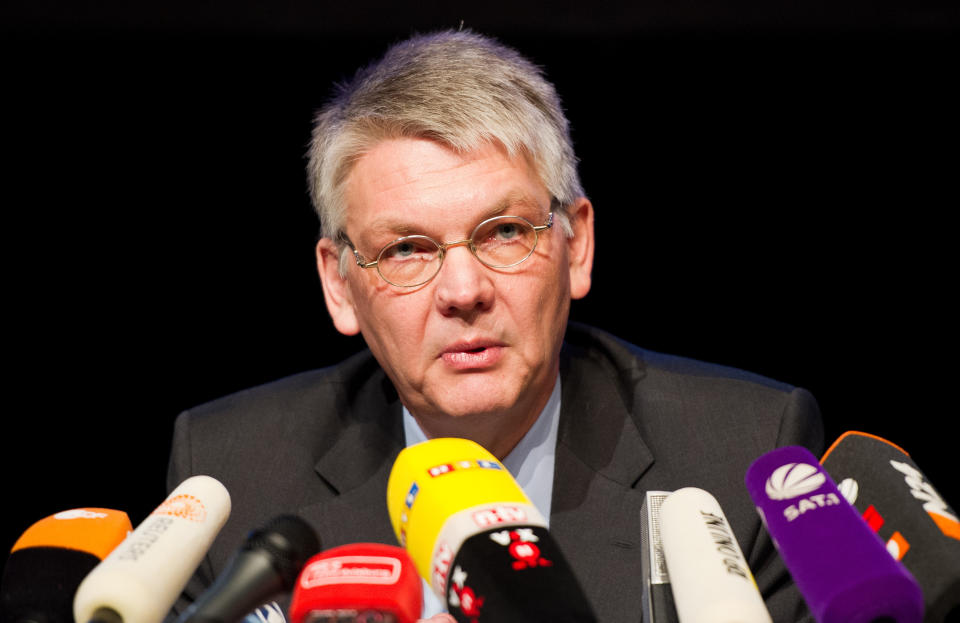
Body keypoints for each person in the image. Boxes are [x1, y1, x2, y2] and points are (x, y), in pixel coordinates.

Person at [167, 29, 823, 622]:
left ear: (578, 245)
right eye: (407, 249)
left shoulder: (745, 458)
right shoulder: (231, 477)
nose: (463, 291)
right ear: (340, 284)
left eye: (505, 232)